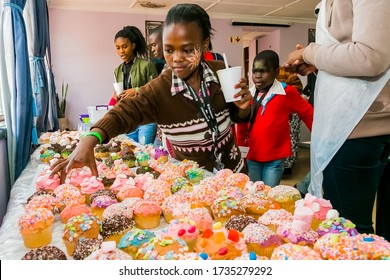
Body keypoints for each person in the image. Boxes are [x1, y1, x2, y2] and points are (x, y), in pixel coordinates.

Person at [51, 3, 252, 179]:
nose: (176, 58)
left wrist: (243, 107)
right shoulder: (159, 90)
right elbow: (123, 113)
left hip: (236, 176)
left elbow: (238, 116)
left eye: (188, 49)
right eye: (169, 50)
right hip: (196, 186)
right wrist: (89, 141)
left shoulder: (220, 73)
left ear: (205, 44)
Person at [285, 0, 390, 238]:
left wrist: (308, 52)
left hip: (358, 127)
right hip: (355, 126)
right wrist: (316, 63)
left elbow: (370, 56)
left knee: (348, 232)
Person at [236, 50, 313, 187]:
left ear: (276, 72)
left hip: (275, 158)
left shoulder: (287, 92)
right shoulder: (248, 95)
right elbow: (242, 124)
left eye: (264, 71)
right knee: (254, 195)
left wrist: (320, 139)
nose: (258, 76)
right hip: (252, 156)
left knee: (269, 193)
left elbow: (308, 114)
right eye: (255, 71)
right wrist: (241, 151)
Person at [109, 25, 158, 145]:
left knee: (145, 152)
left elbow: (157, 89)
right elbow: (119, 94)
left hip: (146, 118)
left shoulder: (146, 65)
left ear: (133, 46)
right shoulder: (117, 70)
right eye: (118, 48)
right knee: (130, 152)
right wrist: (115, 96)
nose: (121, 51)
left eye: (125, 46)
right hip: (128, 118)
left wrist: (136, 90)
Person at [277, 66, 304, 175]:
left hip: (292, 110)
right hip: (278, 110)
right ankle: (284, 163)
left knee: (291, 136)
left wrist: (284, 94)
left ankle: (288, 165)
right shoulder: (264, 77)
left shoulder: (286, 73)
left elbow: (298, 87)